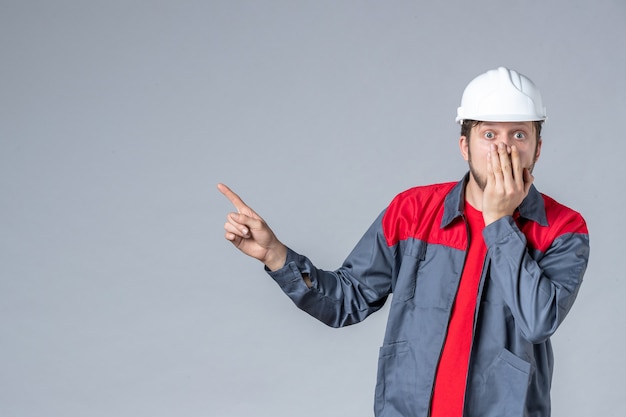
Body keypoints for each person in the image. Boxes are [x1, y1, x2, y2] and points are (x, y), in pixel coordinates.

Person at [218, 67, 590, 417]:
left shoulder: (563, 229)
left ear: (537, 149)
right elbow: (347, 301)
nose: (503, 150)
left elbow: (539, 320)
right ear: (465, 146)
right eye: (489, 135)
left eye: (519, 135)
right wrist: (276, 255)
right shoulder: (412, 212)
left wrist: (498, 222)